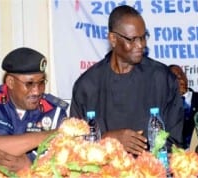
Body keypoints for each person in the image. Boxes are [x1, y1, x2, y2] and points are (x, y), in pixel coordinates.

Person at [69, 5, 184, 156]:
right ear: (113, 39)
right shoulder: (87, 85)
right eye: (133, 39)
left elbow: (175, 143)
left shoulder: (162, 79)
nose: (141, 45)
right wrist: (107, 140)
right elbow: (74, 146)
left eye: (143, 37)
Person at [0, 47, 69, 177]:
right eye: (29, 84)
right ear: (10, 82)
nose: (37, 91)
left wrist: (30, 168)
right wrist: (49, 135)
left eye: (41, 83)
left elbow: (66, 167)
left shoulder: (55, 112)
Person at [169, 64, 198, 149]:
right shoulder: (165, 104)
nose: (179, 80)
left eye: (180, 76)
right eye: (174, 78)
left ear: (186, 77)